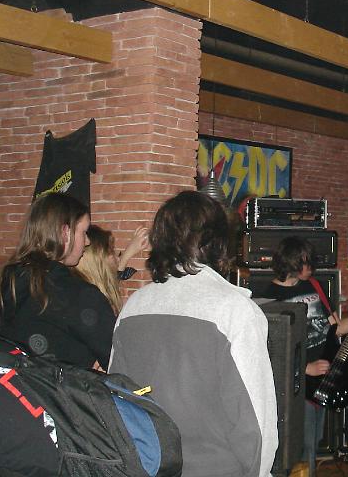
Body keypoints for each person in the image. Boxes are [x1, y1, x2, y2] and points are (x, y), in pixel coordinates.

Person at [108, 190, 277, 477]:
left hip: (148, 467)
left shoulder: (134, 306)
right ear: (219, 242)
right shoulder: (234, 310)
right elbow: (254, 421)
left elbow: (116, 398)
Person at [263, 236, 348, 477]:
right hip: (302, 380)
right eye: (306, 262)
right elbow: (270, 350)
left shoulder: (314, 286)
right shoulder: (268, 297)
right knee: (305, 447)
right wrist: (304, 368)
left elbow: (334, 329)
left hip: (335, 366)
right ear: (292, 262)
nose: (312, 267)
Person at [0, 192, 115, 369]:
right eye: (83, 232)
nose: (87, 241)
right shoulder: (79, 294)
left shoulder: (9, 279)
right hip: (63, 387)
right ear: (65, 233)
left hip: (15, 383)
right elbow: (118, 359)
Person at [75, 224, 149, 313]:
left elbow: (111, 281)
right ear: (97, 259)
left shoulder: (86, 290)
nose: (117, 258)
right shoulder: (92, 301)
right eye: (111, 251)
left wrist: (127, 254)